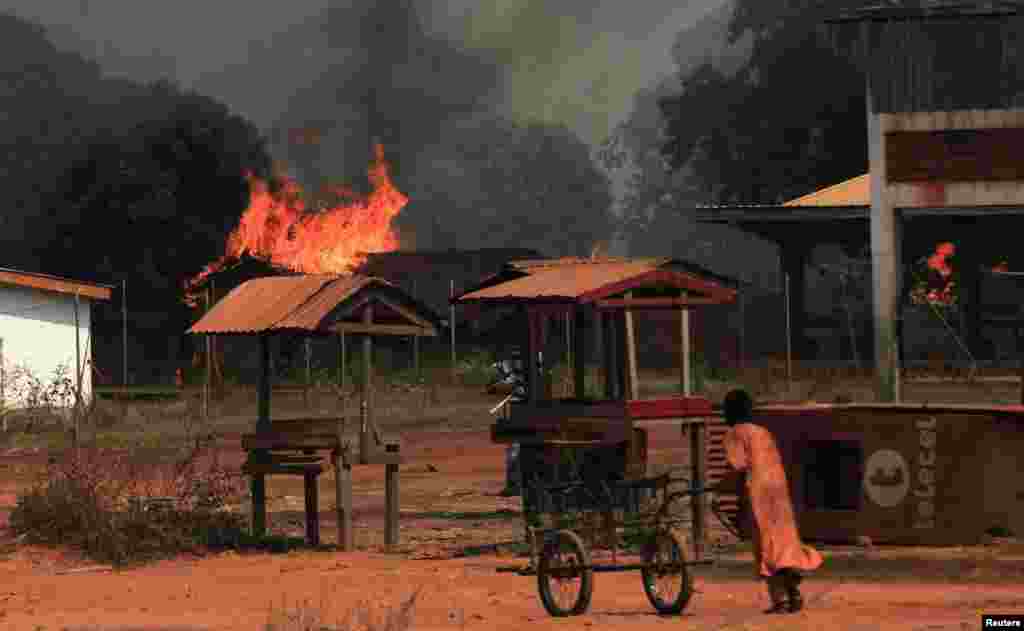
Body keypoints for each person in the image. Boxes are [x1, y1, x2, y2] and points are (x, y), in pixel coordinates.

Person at [712, 389, 823, 614]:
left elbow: (738, 466)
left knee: (765, 547)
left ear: (729, 412)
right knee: (783, 542)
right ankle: (792, 589)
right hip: (779, 492)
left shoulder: (734, 433)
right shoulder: (763, 431)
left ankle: (779, 599)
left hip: (758, 494)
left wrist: (717, 490)